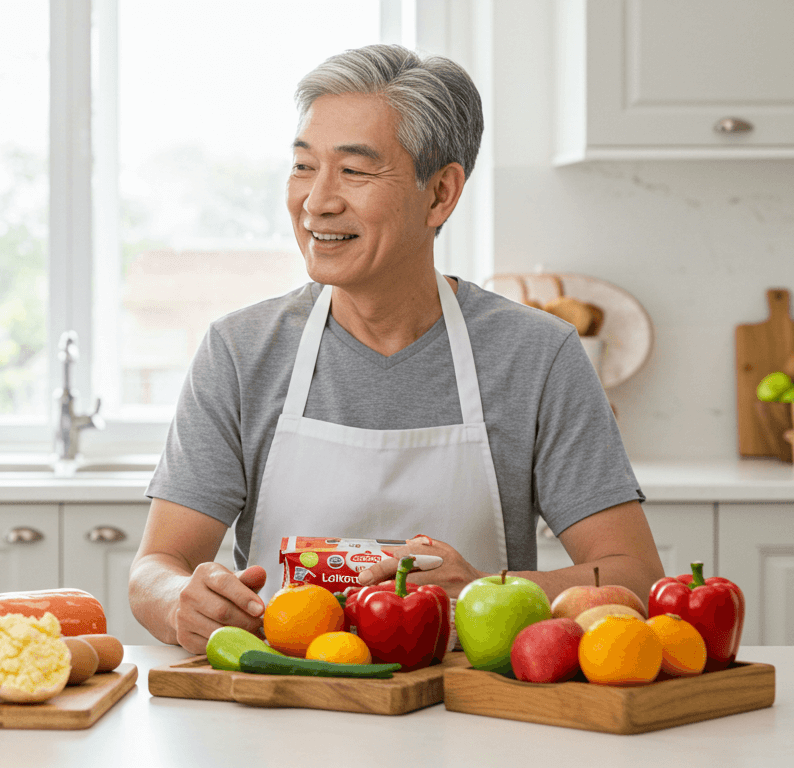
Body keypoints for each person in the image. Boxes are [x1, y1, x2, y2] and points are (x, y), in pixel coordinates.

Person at [127, 45, 664, 654]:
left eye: (354, 172)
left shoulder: (538, 356)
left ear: (440, 194)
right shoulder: (239, 351)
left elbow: (636, 577)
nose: (317, 201)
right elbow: (157, 567)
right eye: (304, 166)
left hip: (467, 703)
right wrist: (180, 600)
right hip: (284, 698)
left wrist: (488, 589)